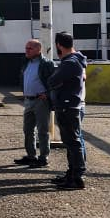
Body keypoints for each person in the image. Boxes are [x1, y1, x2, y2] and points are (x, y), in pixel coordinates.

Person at [48, 31, 88, 189]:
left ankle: (77, 177)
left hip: (67, 106)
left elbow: (53, 80)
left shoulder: (70, 62)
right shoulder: (75, 60)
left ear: (58, 45)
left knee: (73, 142)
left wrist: (54, 80)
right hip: (70, 105)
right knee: (72, 142)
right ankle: (72, 173)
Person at [15, 38, 55, 168]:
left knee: (42, 130)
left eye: (29, 48)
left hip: (40, 101)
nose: (26, 50)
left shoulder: (47, 64)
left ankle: (43, 157)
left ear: (38, 49)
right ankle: (31, 156)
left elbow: (54, 82)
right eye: (26, 48)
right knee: (27, 130)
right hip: (28, 100)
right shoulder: (26, 62)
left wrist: (48, 94)